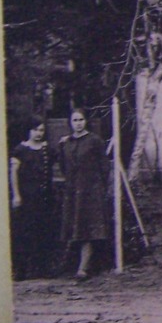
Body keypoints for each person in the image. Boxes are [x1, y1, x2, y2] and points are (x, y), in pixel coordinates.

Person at [58, 109, 110, 280]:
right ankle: (69, 265)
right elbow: (63, 166)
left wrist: (101, 187)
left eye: (81, 119)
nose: (78, 123)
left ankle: (84, 268)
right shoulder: (66, 142)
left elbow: (104, 166)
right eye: (75, 120)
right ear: (70, 123)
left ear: (86, 121)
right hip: (73, 191)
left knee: (88, 228)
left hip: (91, 191)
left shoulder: (94, 141)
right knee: (74, 227)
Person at [8, 120, 53, 279]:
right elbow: (14, 173)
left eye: (41, 130)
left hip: (43, 196)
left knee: (41, 231)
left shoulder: (46, 150)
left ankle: (40, 268)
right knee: (24, 232)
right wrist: (16, 195)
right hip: (26, 196)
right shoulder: (20, 150)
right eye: (35, 130)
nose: (38, 133)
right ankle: (21, 269)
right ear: (29, 131)